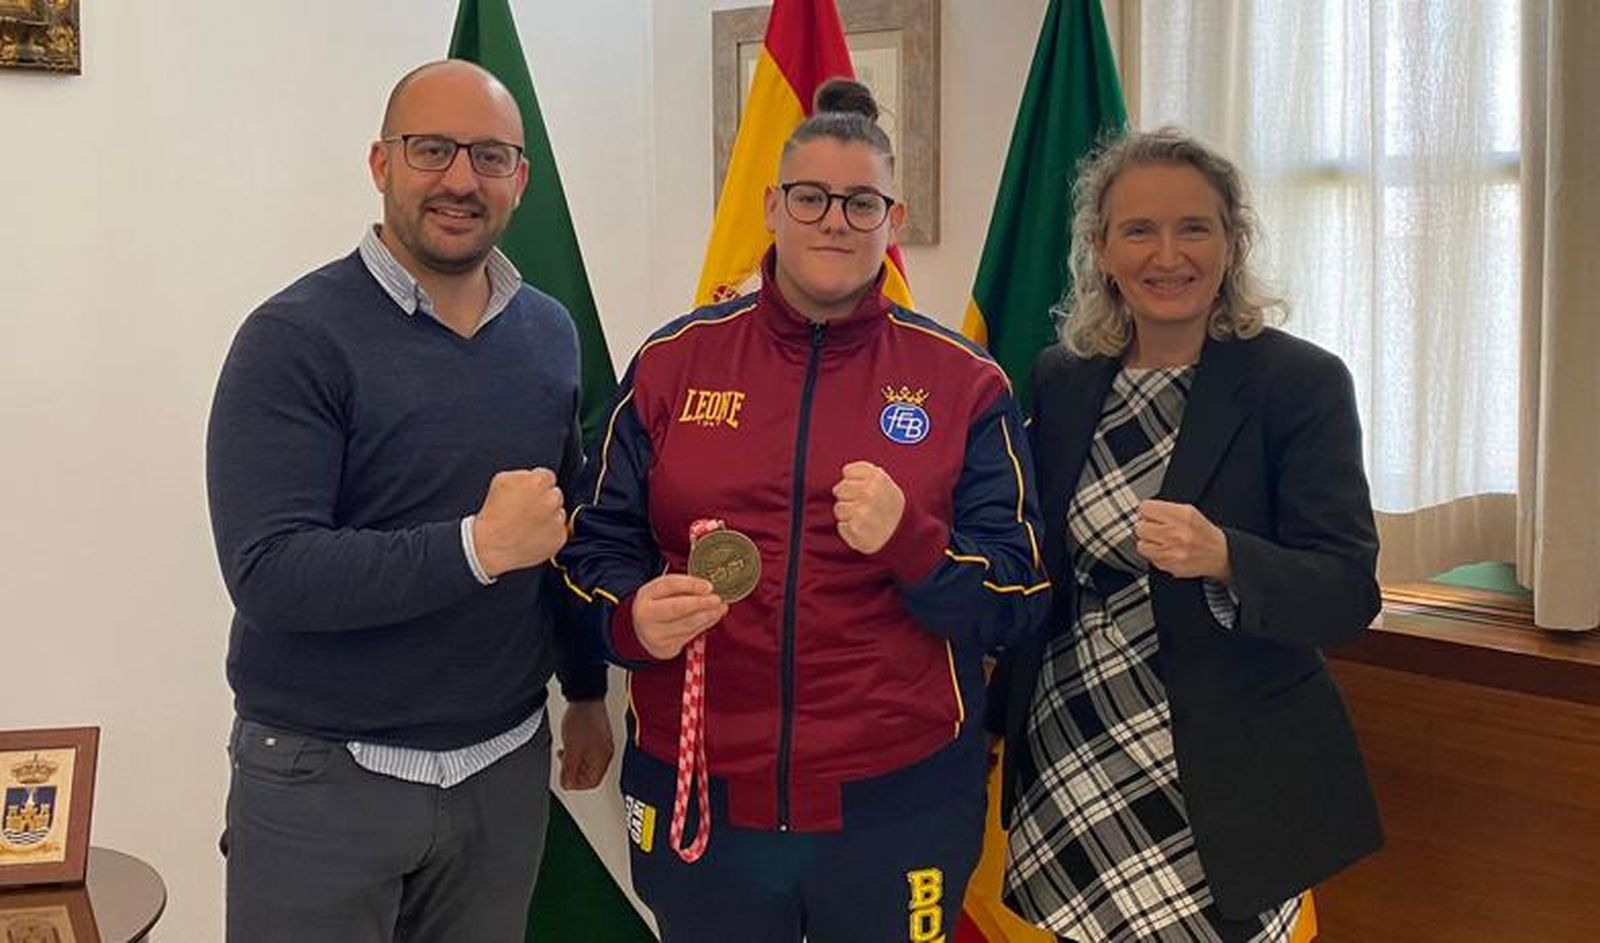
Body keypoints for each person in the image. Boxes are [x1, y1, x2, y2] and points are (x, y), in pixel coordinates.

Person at [556, 79, 1050, 943]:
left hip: (898, 804)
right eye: (812, 197)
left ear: (892, 222)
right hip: (700, 793)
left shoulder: (965, 383)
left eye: (862, 202)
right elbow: (590, 552)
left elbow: (1018, 598)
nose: (835, 219)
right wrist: (633, 619)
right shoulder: (673, 363)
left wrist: (913, 542)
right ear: (771, 208)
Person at [205, 59, 613, 943]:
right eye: (432, 149)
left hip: (501, 769)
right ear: (381, 163)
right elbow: (270, 573)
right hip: (324, 775)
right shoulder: (292, 339)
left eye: (490, 156)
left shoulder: (547, 330)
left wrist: (585, 690)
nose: (461, 179)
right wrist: (474, 546)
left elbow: (562, 528)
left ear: (520, 179)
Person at [988, 128, 1384, 942]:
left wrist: (1228, 556)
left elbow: (1350, 589)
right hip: (1075, 746)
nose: (1167, 255)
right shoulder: (1062, 380)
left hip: (1225, 774)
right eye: (1139, 230)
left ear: (1233, 242)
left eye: (1193, 228)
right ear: (1100, 248)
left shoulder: (1299, 383)